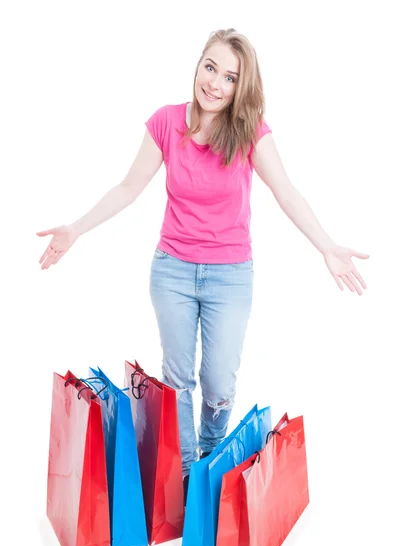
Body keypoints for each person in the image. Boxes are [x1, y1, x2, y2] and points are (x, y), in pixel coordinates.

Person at [37, 28, 369, 503]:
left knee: (218, 383)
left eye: (229, 77)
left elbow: (287, 192)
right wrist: (76, 228)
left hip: (230, 276)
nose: (215, 83)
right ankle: (191, 475)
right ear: (197, 67)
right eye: (209, 68)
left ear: (241, 87)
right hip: (171, 271)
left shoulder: (250, 130)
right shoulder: (166, 123)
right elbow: (128, 188)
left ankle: (213, 453)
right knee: (178, 381)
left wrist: (326, 246)